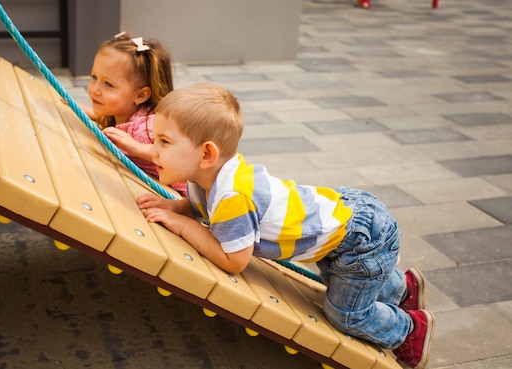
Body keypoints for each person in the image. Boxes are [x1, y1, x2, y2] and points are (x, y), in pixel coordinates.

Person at [136, 82, 435, 369]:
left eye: (164, 142)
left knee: (345, 314)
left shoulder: (233, 195)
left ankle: (411, 331)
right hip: (348, 217)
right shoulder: (208, 178)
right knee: (338, 279)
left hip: (361, 238)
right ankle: (401, 290)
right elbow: (201, 207)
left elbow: (235, 260)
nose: (154, 150)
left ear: (206, 155)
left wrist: (182, 225)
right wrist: (177, 207)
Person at [78, 32, 186, 196]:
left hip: (192, 200)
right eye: (94, 77)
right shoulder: (127, 113)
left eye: (108, 84)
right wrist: (92, 113)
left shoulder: (147, 128)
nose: (94, 89)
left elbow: (178, 155)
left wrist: (136, 148)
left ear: (141, 95)